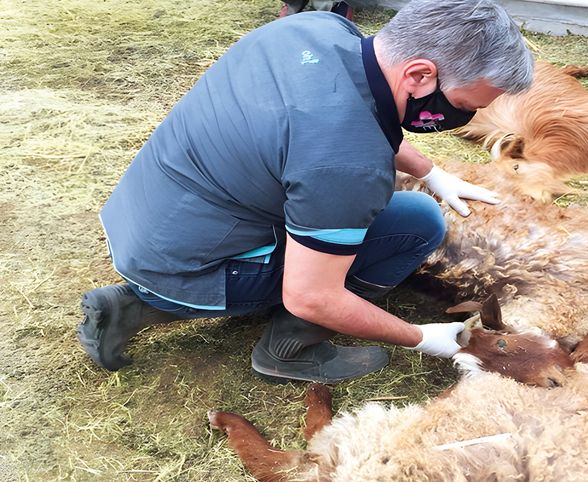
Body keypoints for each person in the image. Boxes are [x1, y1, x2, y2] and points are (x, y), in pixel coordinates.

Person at [77, 0, 534, 383]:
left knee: (407, 213)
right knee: (415, 227)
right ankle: (287, 349)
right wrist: (419, 336)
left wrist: (433, 172)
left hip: (149, 221)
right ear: (419, 75)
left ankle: (138, 303)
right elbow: (312, 295)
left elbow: (359, 110)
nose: (461, 118)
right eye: (461, 105)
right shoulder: (347, 168)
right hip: (188, 262)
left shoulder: (315, 29)